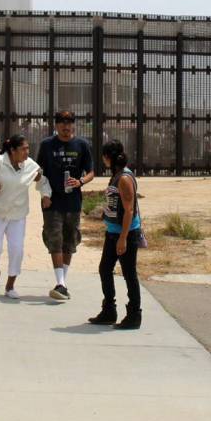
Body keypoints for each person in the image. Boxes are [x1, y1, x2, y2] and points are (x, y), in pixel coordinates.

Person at [0, 134, 51, 299]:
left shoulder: (30, 166)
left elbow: (42, 180)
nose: (27, 152)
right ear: (12, 150)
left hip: (18, 215)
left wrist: (45, 195)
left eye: (28, 148)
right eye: (23, 149)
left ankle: (10, 285)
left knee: (17, 250)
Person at [35, 110, 95, 301]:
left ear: (73, 125)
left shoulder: (82, 145)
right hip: (52, 202)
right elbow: (39, 172)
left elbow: (91, 172)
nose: (66, 127)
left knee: (70, 240)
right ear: (56, 125)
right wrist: (44, 193)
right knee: (55, 240)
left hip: (73, 201)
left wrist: (81, 182)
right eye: (62, 123)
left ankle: (63, 283)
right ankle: (60, 283)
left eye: (69, 123)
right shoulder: (46, 145)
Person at [88, 140, 143, 330]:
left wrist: (123, 238)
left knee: (129, 274)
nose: (103, 160)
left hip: (124, 235)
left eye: (104, 157)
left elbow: (129, 210)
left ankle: (134, 314)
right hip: (113, 233)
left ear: (108, 157)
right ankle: (109, 310)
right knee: (105, 269)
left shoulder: (124, 178)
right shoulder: (116, 176)